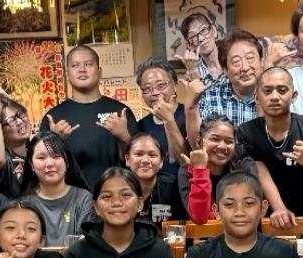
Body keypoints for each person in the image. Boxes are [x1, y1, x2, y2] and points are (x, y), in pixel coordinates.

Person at [237, 67, 303, 223]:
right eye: (267, 91)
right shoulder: (247, 132)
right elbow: (258, 169)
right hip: (266, 221)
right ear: (256, 97)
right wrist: (280, 209)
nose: (275, 97)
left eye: (282, 90)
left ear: (294, 96)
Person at [40, 45, 139, 189]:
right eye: (75, 65)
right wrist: (56, 142)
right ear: (67, 73)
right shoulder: (53, 117)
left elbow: (140, 160)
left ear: (99, 71)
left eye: (88, 64)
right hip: (70, 199)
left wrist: (124, 137)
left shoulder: (120, 111)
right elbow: (42, 165)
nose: (82, 69)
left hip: (115, 195)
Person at [20, 133, 94, 247]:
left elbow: (85, 246)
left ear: (67, 161)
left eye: (56, 156)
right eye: (41, 158)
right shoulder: (24, 204)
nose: (49, 164)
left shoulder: (84, 199)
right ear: (31, 165)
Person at [178, 116, 254, 224]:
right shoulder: (187, 170)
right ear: (199, 140)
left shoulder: (242, 167)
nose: (222, 146)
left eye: (229, 141)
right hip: (202, 238)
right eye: (215, 139)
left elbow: (246, 215)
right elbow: (199, 217)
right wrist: (199, 171)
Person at [134, 57, 190, 183]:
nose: (154, 93)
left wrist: (168, 120)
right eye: (147, 89)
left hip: (185, 191)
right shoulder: (141, 126)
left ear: (175, 85)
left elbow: (184, 161)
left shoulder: (189, 115)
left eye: (161, 85)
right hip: (157, 194)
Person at [197, 29, 262, 128]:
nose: (244, 67)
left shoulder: (275, 94)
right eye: (236, 61)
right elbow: (200, 140)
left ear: (262, 61)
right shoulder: (210, 97)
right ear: (225, 70)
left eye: (250, 58)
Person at [124, 134, 185, 225]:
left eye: (152, 155)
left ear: (161, 162)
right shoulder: (116, 187)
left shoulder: (173, 187)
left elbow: (180, 227)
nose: (145, 160)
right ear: (127, 160)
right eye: (138, 154)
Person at [178, 12, 226, 87]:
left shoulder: (232, 59)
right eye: (193, 36)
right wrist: (193, 73)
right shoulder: (191, 74)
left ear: (214, 31)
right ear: (189, 44)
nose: (200, 38)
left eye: (203, 30)